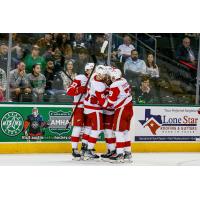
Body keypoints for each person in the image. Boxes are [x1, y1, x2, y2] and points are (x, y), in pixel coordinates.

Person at [66, 63, 94, 159]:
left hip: (90, 107)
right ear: (86, 70)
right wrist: (79, 89)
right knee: (77, 127)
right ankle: (74, 149)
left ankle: (84, 147)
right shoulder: (80, 78)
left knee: (89, 127)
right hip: (79, 105)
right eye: (91, 69)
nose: (93, 72)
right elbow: (69, 91)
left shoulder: (95, 80)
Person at [106, 68, 133, 162]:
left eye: (110, 76)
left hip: (122, 109)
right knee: (125, 131)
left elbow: (111, 101)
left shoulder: (114, 85)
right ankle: (128, 153)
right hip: (129, 107)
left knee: (118, 132)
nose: (109, 78)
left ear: (113, 77)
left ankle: (120, 153)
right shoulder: (124, 80)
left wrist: (103, 98)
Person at [83, 65, 108, 160]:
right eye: (102, 75)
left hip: (87, 107)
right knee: (97, 129)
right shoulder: (100, 86)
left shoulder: (93, 76)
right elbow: (104, 104)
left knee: (88, 129)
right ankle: (89, 150)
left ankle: (85, 148)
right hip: (94, 109)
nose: (103, 77)